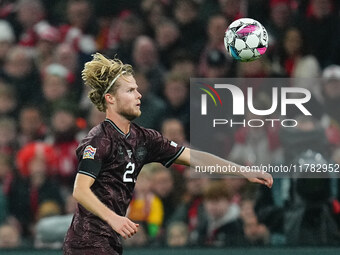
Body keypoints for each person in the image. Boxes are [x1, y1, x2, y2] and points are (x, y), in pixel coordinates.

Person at [63, 53, 273, 255]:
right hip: (86, 242)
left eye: (137, 89)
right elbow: (80, 191)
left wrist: (242, 171)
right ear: (110, 98)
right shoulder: (99, 140)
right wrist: (114, 218)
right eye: (130, 91)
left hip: (110, 241)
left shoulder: (145, 138)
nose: (139, 95)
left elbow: (194, 157)